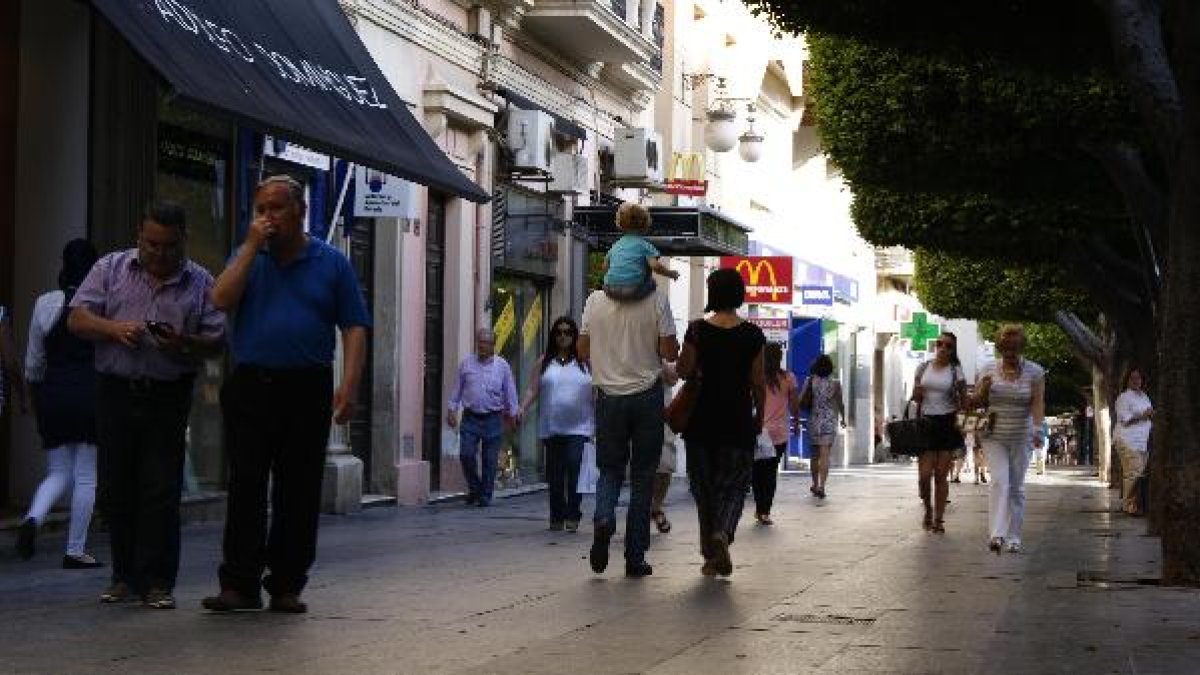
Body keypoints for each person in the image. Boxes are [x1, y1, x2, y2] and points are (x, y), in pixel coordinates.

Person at [201, 175, 370, 614]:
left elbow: (354, 325)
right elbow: (219, 299)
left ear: (301, 212)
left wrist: (348, 385)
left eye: (275, 208)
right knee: (246, 484)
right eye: (260, 209)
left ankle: (287, 583)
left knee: (298, 489)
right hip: (251, 383)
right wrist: (250, 248)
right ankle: (238, 582)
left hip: (306, 386)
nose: (266, 217)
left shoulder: (332, 263)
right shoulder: (248, 258)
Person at [68, 201, 225, 609]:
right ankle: (123, 575)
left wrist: (184, 342)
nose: (159, 254)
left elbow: (218, 341)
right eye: (151, 244)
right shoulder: (111, 268)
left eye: (169, 246)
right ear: (139, 235)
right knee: (116, 485)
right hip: (116, 390)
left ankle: (158, 581)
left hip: (167, 395)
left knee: (159, 487)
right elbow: (78, 319)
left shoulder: (200, 282)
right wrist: (113, 328)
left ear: (183, 242)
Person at [578, 280, 678, 578]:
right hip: (647, 396)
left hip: (608, 398)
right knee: (643, 476)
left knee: (609, 470)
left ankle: (604, 517)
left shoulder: (594, 300)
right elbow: (670, 352)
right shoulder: (658, 300)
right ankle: (635, 557)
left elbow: (582, 350)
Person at [16, 240, 103, 568]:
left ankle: (33, 518)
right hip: (89, 394)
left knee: (58, 472)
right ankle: (75, 549)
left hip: (52, 395)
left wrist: (32, 395)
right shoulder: (100, 303)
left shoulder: (45, 303)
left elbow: (34, 362)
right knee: (85, 476)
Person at [676, 269, 765, 576]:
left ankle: (709, 552)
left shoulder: (697, 330)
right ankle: (722, 535)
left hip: (701, 420)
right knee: (735, 486)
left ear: (712, 293)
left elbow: (684, 370)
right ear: (739, 294)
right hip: (737, 419)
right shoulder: (753, 334)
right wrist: (760, 416)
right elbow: (757, 382)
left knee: (705, 490)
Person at [974, 324, 1044, 554]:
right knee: (999, 481)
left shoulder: (1035, 371)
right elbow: (975, 403)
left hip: (1021, 435)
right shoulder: (986, 369)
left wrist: (1036, 428)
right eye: (1006, 349)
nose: (1010, 354)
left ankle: (1014, 536)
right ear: (1000, 348)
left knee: (1016, 487)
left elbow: (1037, 402)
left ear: (1021, 347)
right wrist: (983, 390)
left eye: (1014, 348)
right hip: (993, 435)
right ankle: (996, 535)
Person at [518, 316, 593, 532]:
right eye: (559, 332)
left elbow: (598, 388)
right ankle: (557, 516)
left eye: (568, 332)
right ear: (554, 336)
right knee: (556, 476)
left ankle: (573, 512)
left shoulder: (586, 362)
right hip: (552, 428)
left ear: (574, 336)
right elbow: (533, 389)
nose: (563, 336)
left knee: (574, 467)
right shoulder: (544, 362)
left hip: (579, 427)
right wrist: (522, 408)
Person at [447, 328, 519, 508]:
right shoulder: (466, 364)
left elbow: (510, 390)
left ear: (493, 345)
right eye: (480, 342)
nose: (482, 346)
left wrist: (514, 412)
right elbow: (457, 388)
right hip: (470, 417)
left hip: (493, 418)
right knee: (466, 454)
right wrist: (451, 409)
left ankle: (485, 495)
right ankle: (475, 487)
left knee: (489, 459)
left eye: (486, 343)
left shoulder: (502, 366)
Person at [910, 332, 967, 534]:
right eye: (939, 343)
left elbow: (964, 399)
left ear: (952, 350)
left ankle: (939, 520)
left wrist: (964, 418)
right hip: (926, 423)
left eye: (948, 345)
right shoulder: (923, 367)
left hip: (947, 423)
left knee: (941, 475)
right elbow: (915, 398)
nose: (942, 347)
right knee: (924, 476)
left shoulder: (955, 371)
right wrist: (916, 393)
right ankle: (928, 509)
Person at [752, 343, 799, 526]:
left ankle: (758, 508)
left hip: (758, 431)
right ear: (779, 358)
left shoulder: (757, 377)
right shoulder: (788, 377)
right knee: (771, 472)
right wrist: (795, 422)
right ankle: (765, 511)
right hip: (779, 433)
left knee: (757, 472)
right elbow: (794, 404)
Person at [601, 202, 679, 301]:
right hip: (634, 289)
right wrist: (670, 274)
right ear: (645, 225)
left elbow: (604, 267)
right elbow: (655, 266)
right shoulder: (645, 245)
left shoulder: (616, 245)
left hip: (609, 289)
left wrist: (615, 277)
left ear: (620, 225)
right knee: (652, 283)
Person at [801, 354, 845, 499]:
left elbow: (801, 399)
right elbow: (840, 403)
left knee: (814, 456)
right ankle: (822, 486)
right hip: (829, 421)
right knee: (825, 454)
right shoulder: (836, 383)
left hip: (814, 420)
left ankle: (814, 484)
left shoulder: (810, 381)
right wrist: (843, 418)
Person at [1114, 367, 1153, 516]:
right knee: (1133, 473)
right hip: (1128, 440)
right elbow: (1124, 419)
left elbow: (1149, 413)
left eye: (1139, 378)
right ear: (1127, 380)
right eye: (1133, 378)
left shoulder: (1144, 396)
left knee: (1139, 473)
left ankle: (1136, 504)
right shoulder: (1123, 398)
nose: (1136, 381)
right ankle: (1129, 505)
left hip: (1143, 441)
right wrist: (1143, 415)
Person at [651, 361, 680, 534]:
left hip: (662, 417)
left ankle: (656, 507)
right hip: (636, 416)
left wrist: (657, 359)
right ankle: (645, 510)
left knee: (665, 466)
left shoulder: (664, 348)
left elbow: (673, 378)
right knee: (641, 468)